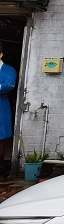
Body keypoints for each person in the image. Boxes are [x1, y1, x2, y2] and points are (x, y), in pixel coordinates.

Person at [0, 42, 16, 173]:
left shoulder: (9, 70)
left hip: (2, 104)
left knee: (2, 134)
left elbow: (9, 85)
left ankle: (1, 163)